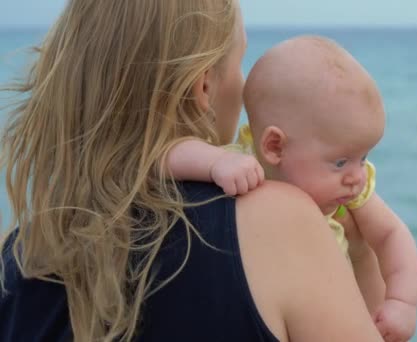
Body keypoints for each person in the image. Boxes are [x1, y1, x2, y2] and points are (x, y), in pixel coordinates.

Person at [0, 1, 384, 341]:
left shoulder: (19, 255)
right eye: (240, 62)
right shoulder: (278, 218)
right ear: (203, 86)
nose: (245, 83)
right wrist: (361, 250)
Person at [166, 36, 417, 341]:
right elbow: (166, 155)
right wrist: (213, 162)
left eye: (363, 157)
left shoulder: (349, 191)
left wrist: (402, 302)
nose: (357, 176)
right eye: (340, 162)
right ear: (275, 147)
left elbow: (392, 235)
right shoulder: (241, 162)